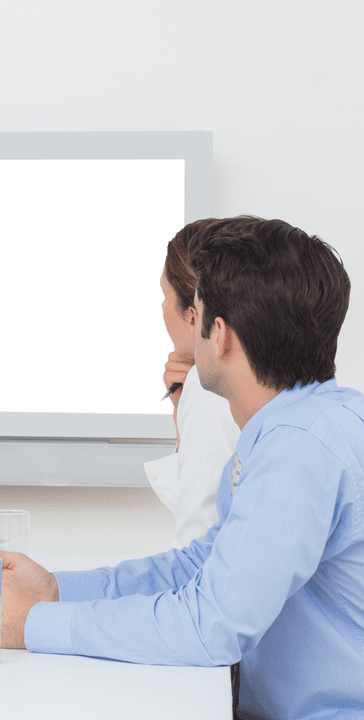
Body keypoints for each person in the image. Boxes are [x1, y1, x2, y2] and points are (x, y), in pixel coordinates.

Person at [0, 216, 364, 719]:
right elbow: (204, 567)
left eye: (198, 310)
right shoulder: (314, 423)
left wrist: (32, 624)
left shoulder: (298, 449)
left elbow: (211, 623)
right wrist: (56, 591)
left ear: (219, 335)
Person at [145, 220, 240, 547]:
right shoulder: (254, 374)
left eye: (164, 295)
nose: (161, 308)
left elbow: (197, 540)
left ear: (193, 314)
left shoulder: (208, 389)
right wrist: (181, 412)